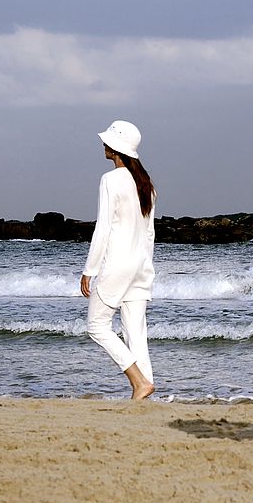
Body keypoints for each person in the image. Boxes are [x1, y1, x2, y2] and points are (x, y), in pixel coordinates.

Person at [80, 119, 157, 400]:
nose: (103, 144)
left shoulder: (110, 180)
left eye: (107, 141)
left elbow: (104, 228)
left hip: (118, 265)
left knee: (97, 326)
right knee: (135, 332)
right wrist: (146, 268)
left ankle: (138, 381)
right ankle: (145, 389)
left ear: (116, 148)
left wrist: (90, 269)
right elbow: (149, 234)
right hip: (140, 266)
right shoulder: (146, 185)